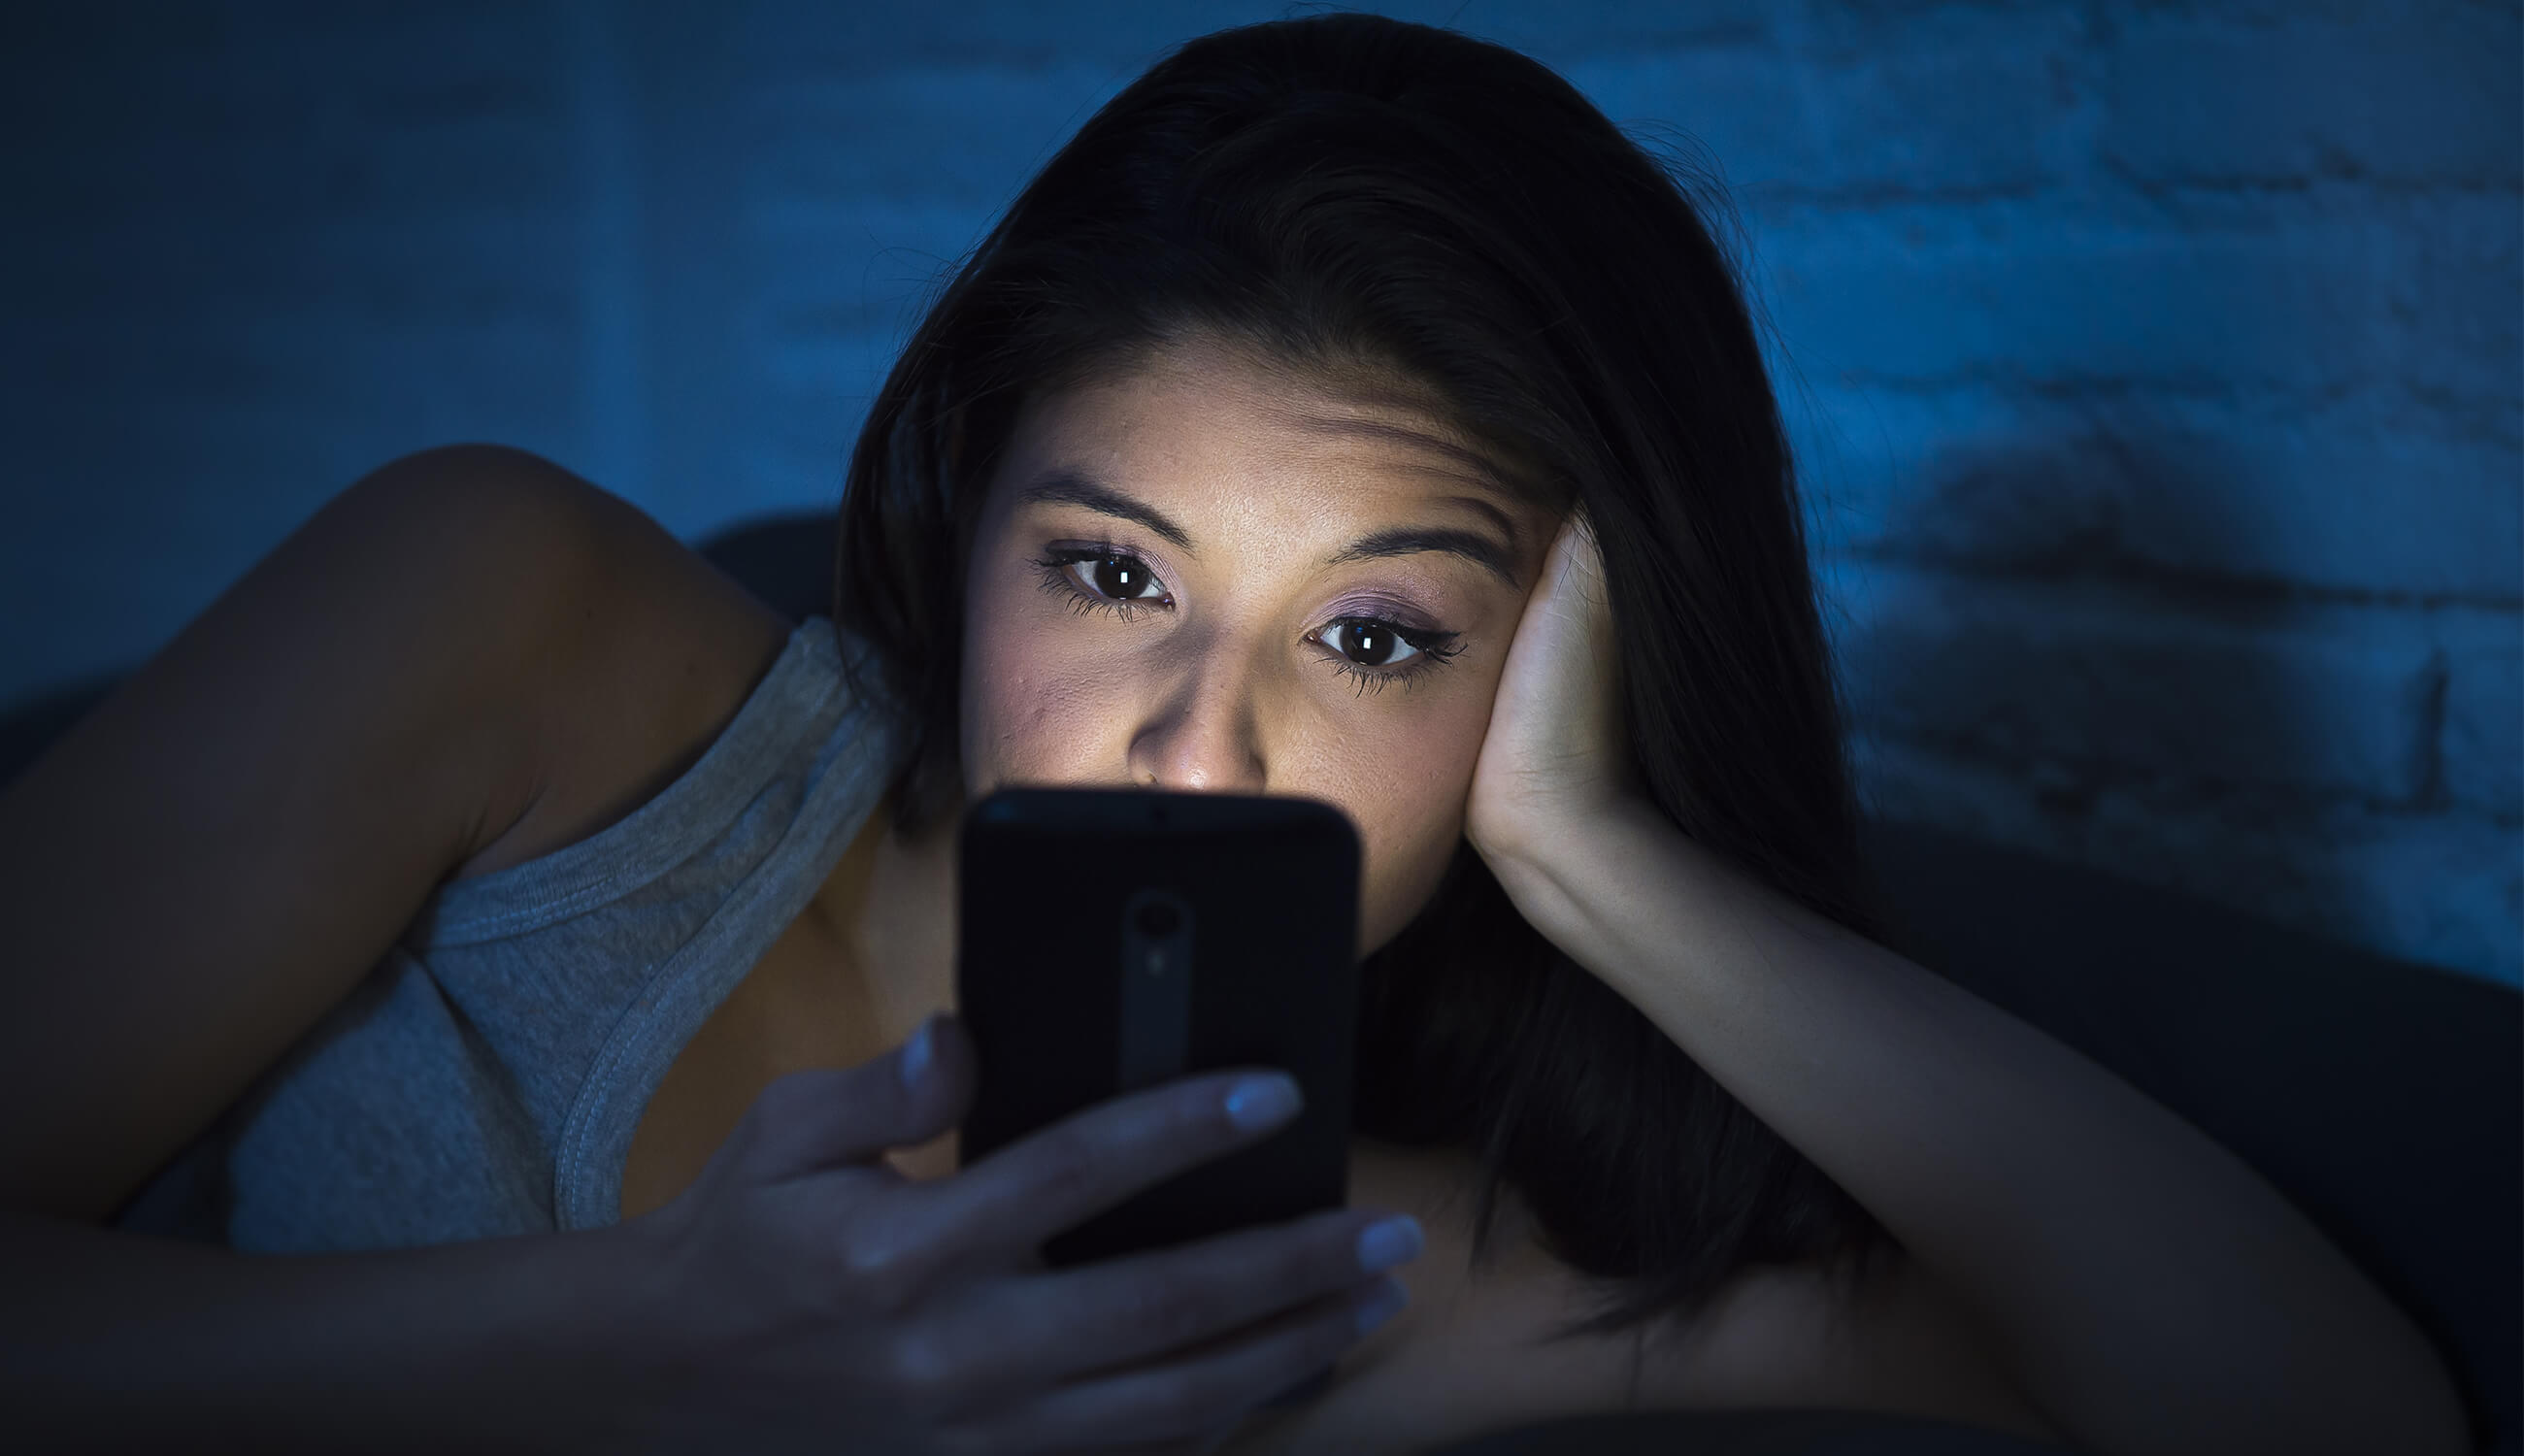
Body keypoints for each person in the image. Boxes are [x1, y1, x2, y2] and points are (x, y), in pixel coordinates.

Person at [0, 13, 2472, 1456]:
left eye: (1375, 640)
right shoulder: (507, 618)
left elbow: (2318, 1421)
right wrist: (635, 1337)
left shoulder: (1400, 1269)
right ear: (966, 517)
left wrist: (1605, 859)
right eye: (1109, 574)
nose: (1196, 746)